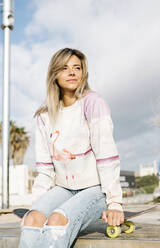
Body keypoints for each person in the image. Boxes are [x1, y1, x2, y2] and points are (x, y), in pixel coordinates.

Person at [19, 48, 124, 248]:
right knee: (31, 219)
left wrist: (115, 203)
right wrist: (38, 207)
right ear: (54, 74)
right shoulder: (44, 115)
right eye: (65, 68)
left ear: (84, 73)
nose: (72, 72)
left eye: (77, 67)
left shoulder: (93, 103)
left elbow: (107, 156)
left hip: (96, 189)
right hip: (63, 188)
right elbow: (45, 169)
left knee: (58, 220)